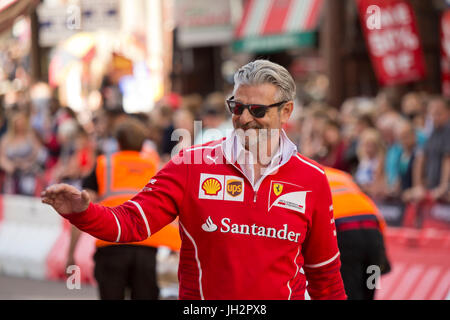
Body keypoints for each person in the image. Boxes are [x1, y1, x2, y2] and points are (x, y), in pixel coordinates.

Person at [42, 60, 346, 300]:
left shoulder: (312, 179)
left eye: (257, 110)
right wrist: (83, 212)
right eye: (237, 108)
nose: (244, 118)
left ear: (286, 112)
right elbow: (132, 222)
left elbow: (325, 277)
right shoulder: (192, 163)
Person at [67, 117, 181, 300]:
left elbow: (80, 208)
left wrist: (71, 254)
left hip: (112, 244)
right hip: (146, 247)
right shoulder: (156, 166)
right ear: (143, 143)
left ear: (117, 142)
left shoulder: (104, 164)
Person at [325, 166, 391, 300]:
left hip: (345, 232)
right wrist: (382, 256)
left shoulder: (307, 175)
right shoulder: (342, 174)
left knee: (350, 290)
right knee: (370, 285)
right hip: (374, 231)